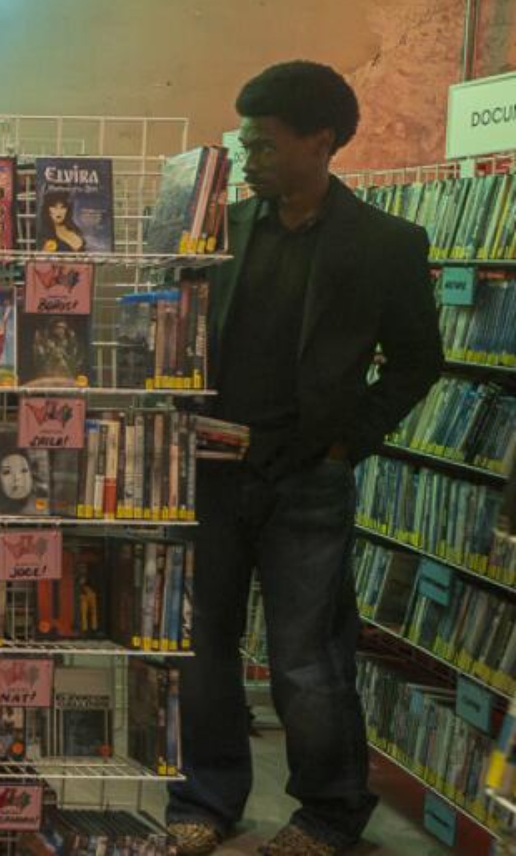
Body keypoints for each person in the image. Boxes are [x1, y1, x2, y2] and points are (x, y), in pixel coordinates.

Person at [167, 62, 442, 856]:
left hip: (308, 478)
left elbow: (418, 362)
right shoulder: (220, 230)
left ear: (321, 142)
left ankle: (328, 812)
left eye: (263, 143)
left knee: (307, 658)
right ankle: (206, 797)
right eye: (243, 143)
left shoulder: (386, 244)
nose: (247, 158)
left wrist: (348, 441)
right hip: (211, 472)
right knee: (203, 647)